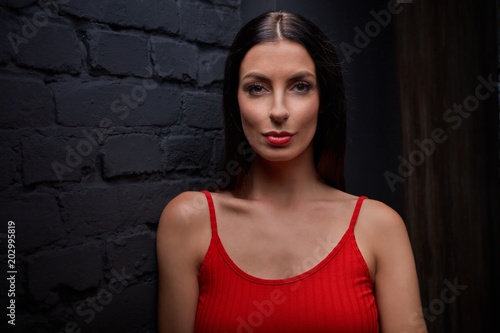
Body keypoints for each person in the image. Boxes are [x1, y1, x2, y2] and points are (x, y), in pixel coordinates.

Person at [156, 11, 427, 333]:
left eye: (300, 86)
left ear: (323, 99)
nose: (279, 111)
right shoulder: (188, 221)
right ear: (235, 100)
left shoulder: (379, 226)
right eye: (257, 88)